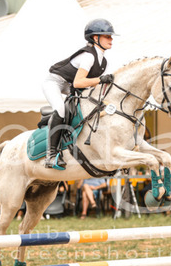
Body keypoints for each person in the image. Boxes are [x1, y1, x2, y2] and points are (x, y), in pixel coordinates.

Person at [42, 18, 117, 169]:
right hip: (55, 82)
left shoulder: (104, 62)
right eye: (107, 36)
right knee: (61, 109)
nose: (111, 39)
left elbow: (90, 85)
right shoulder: (88, 56)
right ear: (95, 38)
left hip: (70, 86)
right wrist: (100, 80)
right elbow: (78, 82)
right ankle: (50, 155)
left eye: (111, 36)